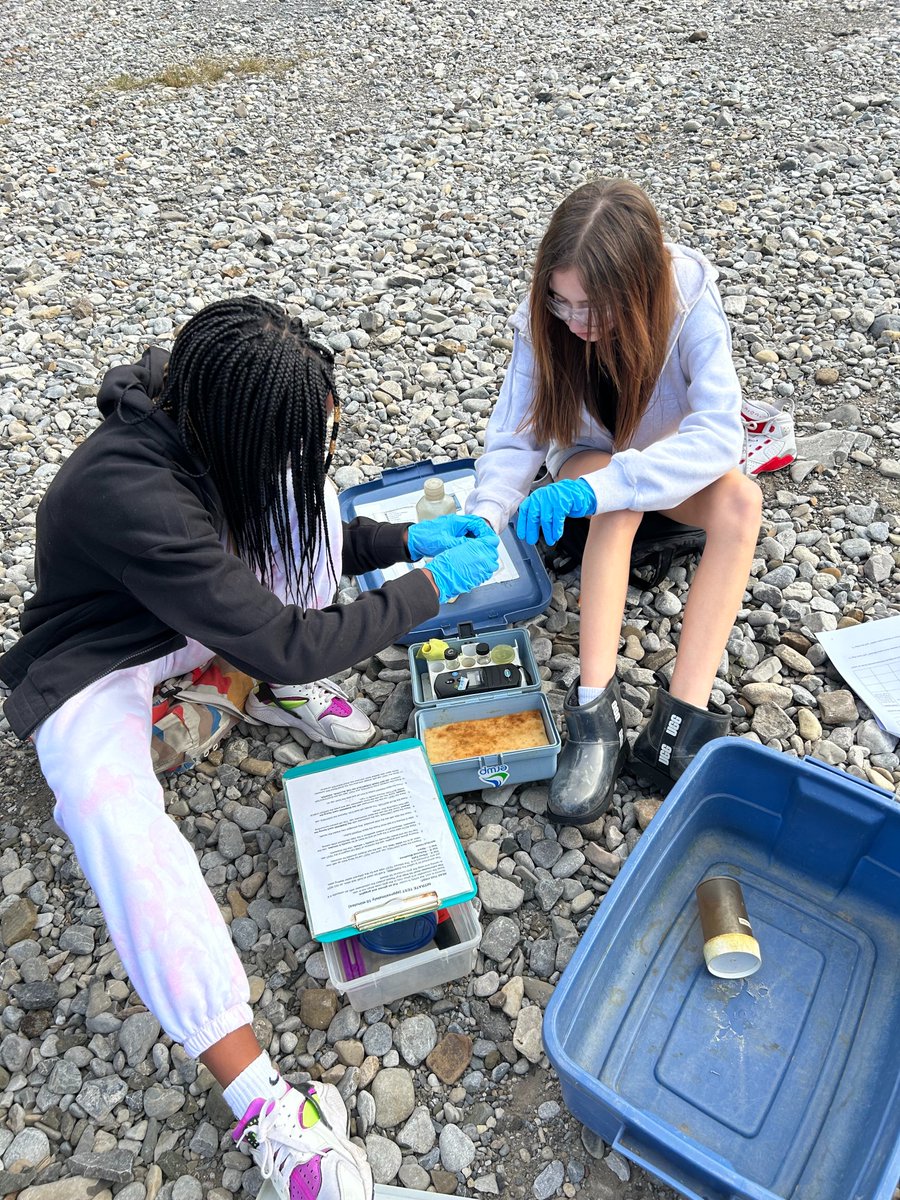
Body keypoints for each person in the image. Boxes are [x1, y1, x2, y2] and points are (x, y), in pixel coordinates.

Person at [0, 296, 499, 1200]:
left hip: (199, 617)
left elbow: (301, 528)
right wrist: (424, 589)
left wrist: (400, 539)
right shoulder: (132, 493)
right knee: (110, 810)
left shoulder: (215, 411)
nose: (316, 454)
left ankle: (232, 689)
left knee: (307, 495)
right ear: (235, 427)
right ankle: (263, 1101)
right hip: (95, 656)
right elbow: (291, 639)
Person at [465, 178, 762, 823]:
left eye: (592, 307)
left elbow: (719, 431)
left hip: (670, 468)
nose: (575, 323)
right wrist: (486, 517)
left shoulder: (687, 296)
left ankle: (678, 724)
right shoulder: (544, 317)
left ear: (641, 286)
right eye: (561, 301)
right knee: (617, 505)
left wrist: (616, 481)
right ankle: (593, 711)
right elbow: (516, 431)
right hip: (590, 461)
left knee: (742, 505)